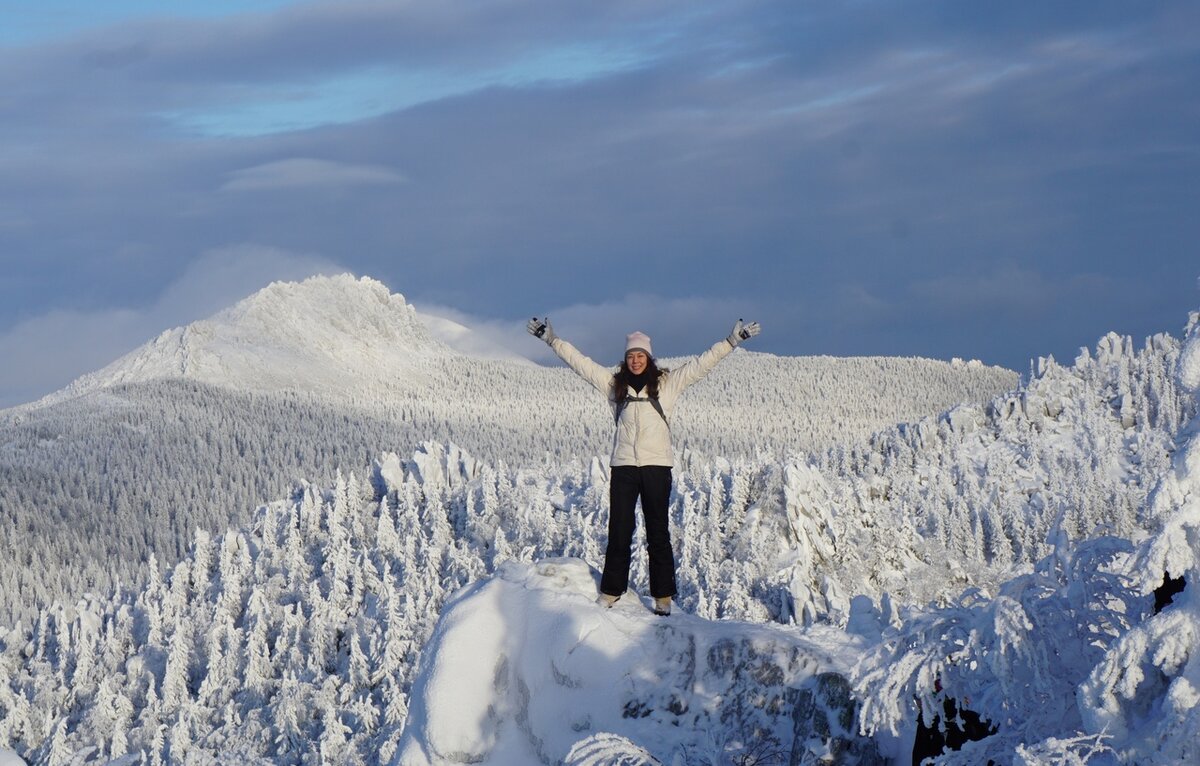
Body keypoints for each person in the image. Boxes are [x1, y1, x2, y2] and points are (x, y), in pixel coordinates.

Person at [527, 317, 761, 615]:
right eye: (630, 356)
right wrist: (552, 340)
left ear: (649, 358)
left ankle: (662, 597)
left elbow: (703, 364)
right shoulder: (615, 387)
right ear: (625, 360)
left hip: (656, 468)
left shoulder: (667, 384)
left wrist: (731, 342)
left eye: (640, 356)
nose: (635, 361)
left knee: (657, 533)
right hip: (623, 467)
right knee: (619, 532)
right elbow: (581, 364)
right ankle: (611, 591)